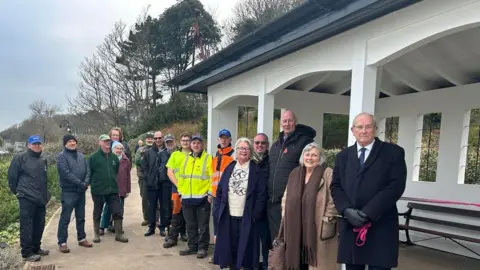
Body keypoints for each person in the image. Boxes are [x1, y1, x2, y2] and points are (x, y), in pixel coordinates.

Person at [330, 112, 407, 270]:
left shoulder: (393, 153)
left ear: (375, 129)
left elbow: (395, 186)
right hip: (351, 225)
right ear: (353, 130)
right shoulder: (342, 156)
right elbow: (336, 186)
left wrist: (368, 213)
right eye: (359, 127)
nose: (363, 131)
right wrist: (346, 210)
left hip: (381, 224)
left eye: (368, 126)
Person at [280, 143, 339, 270]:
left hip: (318, 226)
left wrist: (327, 219)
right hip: (295, 226)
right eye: (307, 154)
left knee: (317, 263)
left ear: (320, 158)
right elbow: (286, 197)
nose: (310, 158)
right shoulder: (295, 173)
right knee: (297, 259)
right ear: (303, 156)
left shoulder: (328, 173)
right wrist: (285, 216)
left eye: (314, 155)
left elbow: (334, 200)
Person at [213, 137, 267, 270]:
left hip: (247, 217)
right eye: (241, 148)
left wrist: (255, 214)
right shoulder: (229, 168)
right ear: (236, 151)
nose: (243, 151)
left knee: (246, 250)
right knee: (231, 249)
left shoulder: (256, 170)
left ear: (250, 151)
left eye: (247, 148)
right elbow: (220, 191)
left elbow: (261, 194)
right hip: (229, 215)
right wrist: (219, 209)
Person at [267, 110, 315, 240]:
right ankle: (276, 261)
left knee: (291, 239)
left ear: (295, 122)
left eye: (290, 120)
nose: (287, 123)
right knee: (275, 239)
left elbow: (309, 170)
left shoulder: (305, 142)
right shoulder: (276, 146)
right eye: (284, 121)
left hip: (291, 201)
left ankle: (289, 261)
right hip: (273, 202)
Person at [7, 135, 50, 262]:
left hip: (41, 198)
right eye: (34, 144)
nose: (37, 146)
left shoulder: (43, 160)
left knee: (40, 224)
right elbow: (12, 178)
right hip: (26, 197)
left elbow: (44, 179)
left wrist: (46, 195)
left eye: (39, 144)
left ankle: (36, 248)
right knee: (27, 226)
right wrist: (19, 192)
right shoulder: (19, 158)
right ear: (28, 145)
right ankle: (26, 252)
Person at [177, 135, 213, 259]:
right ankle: (192, 246)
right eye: (194, 143)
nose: (196, 145)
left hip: (203, 199)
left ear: (202, 145)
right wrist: (180, 193)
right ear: (191, 146)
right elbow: (180, 177)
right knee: (190, 224)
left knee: (203, 225)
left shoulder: (208, 158)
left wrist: (210, 193)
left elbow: (212, 177)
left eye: (198, 143)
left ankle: (202, 248)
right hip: (187, 198)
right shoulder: (186, 159)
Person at [88, 134, 128, 243]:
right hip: (98, 190)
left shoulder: (114, 157)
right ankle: (96, 234)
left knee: (117, 211)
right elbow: (89, 173)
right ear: (100, 143)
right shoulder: (93, 158)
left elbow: (115, 171)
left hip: (113, 190)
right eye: (105, 141)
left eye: (108, 141)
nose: (107, 144)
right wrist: (90, 184)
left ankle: (119, 234)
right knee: (97, 212)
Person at [57, 134, 93, 253]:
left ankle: (82, 238)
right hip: (69, 192)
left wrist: (86, 182)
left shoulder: (81, 155)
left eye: (74, 141)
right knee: (65, 218)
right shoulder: (62, 157)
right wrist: (80, 184)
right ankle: (62, 242)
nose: (72, 143)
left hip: (81, 191)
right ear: (65, 144)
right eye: (69, 141)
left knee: (81, 216)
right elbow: (65, 174)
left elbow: (88, 170)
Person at [209, 128, 235, 263]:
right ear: (218, 140)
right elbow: (211, 175)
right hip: (215, 196)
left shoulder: (234, 155)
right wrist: (210, 193)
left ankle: (227, 254)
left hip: (228, 196)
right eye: (222, 137)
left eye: (226, 137)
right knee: (217, 225)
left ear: (230, 140)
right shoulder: (215, 155)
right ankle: (217, 253)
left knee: (227, 224)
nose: (224, 140)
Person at [164, 132, 192, 248]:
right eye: (183, 140)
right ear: (180, 142)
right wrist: (178, 185)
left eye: (187, 140)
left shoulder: (195, 154)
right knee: (176, 213)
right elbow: (169, 172)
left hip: (192, 189)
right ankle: (172, 237)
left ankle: (186, 235)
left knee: (189, 215)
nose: (185, 142)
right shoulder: (175, 155)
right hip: (177, 189)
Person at [142, 131, 172, 237]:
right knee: (152, 206)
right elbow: (143, 166)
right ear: (153, 139)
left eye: (160, 138)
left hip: (164, 183)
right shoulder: (148, 152)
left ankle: (163, 227)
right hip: (152, 183)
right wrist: (147, 177)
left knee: (164, 206)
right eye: (156, 138)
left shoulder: (167, 151)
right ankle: (151, 227)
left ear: (163, 138)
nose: (158, 140)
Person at [100, 141, 131, 235]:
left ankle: (118, 227)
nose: (119, 150)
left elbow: (128, 176)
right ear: (113, 149)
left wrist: (128, 190)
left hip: (121, 188)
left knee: (119, 209)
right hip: (110, 188)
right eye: (117, 148)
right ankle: (103, 226)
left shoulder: (126, 160)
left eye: (121, 149)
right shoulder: (108, 159)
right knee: (108, 208)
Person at [252, 133, 271, 270]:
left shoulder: (273, 161)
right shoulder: (248, 161)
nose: (260, 145)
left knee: (266, 241)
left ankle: (265, 265)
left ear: (267, 145)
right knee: (250, 241)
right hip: (250, 208)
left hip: (267, 208)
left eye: (263, 143)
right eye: (257, 143)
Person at [135, 131, 154, 226]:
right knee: (145, 198)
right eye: (148, 138)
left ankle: (156, 218)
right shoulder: (140, 150)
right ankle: (146, 218)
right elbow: (138, 161)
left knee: (156, 199)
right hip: (143, 177)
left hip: (155, 177)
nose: (150, 140)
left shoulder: (157, 149)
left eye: (151, 138)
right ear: (145, 139)